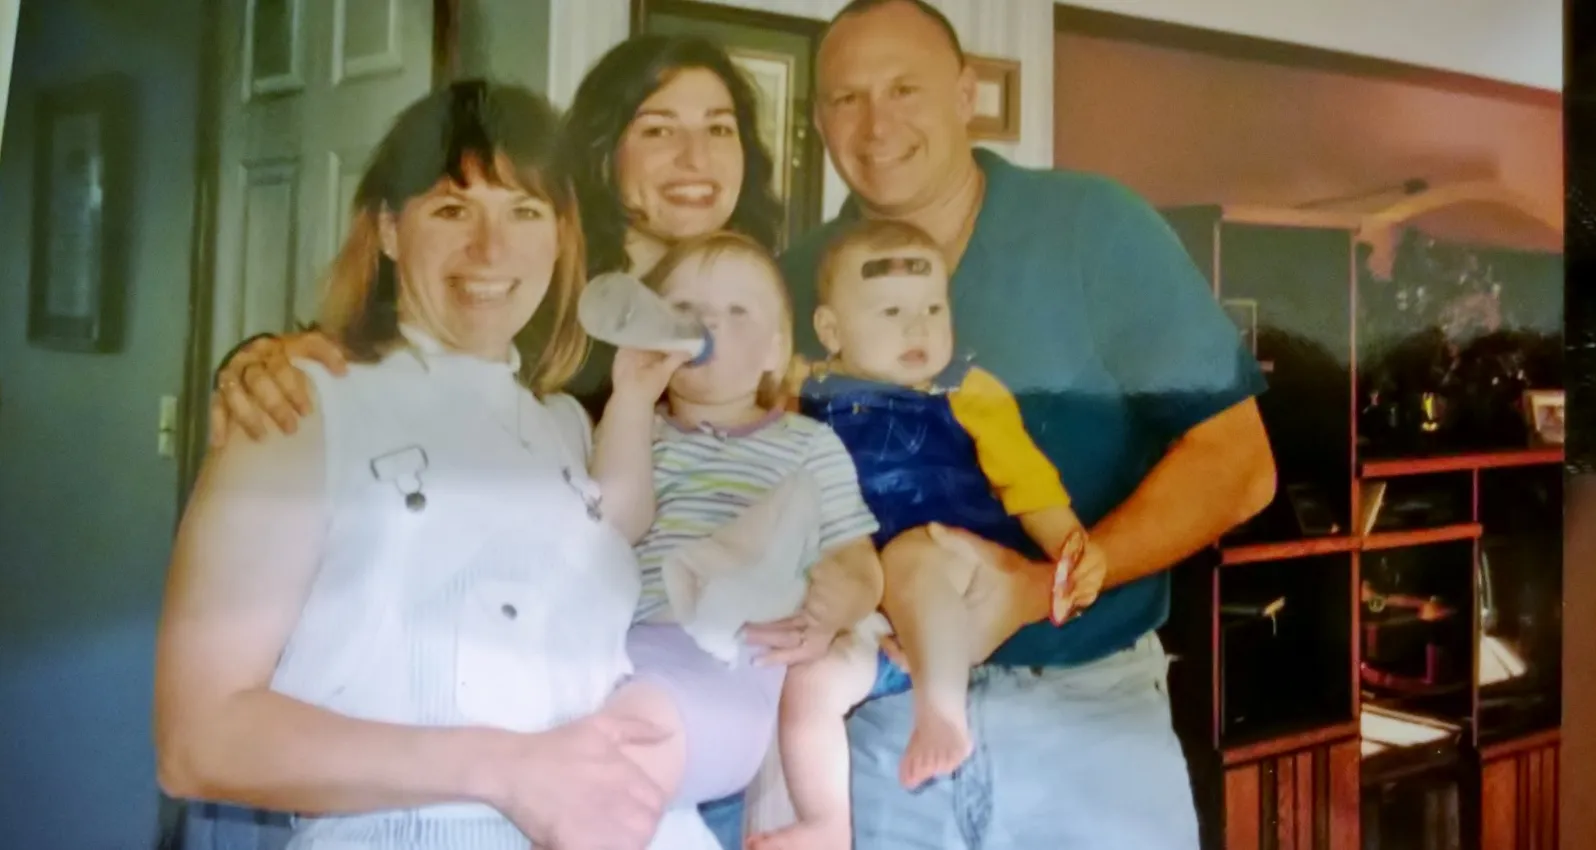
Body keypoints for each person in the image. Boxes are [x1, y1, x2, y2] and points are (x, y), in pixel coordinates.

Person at [153, 80, 719, 850]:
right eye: (453, 210)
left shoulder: (560, 426)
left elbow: (624, 530)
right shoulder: (297, 407)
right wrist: (510, 769)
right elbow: (199, 742)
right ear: (388, 229)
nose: (490, 251)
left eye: (523, 212)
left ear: (560, 236)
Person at [765, 1, 1277, 847]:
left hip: (1085, 717)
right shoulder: (797, 280)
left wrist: (1038, 588)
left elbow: (1238, 463)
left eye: (904, 88)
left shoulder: (1092, 227)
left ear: (967, 93)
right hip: (872, 732)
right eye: (846, 98)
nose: (876, 123)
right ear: (818, 118)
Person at [747, 218, 1108, 850]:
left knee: (913, 555)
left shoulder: (968, 391)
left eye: (933, 309)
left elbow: (1029, 485)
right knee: (810, 686)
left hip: (949, 573)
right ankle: (827, 821)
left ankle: (941, 713)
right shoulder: (805, 388)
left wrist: (1074, 551)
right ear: (831, 330)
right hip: (872, 620)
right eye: (891, 311)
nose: (918, 328)